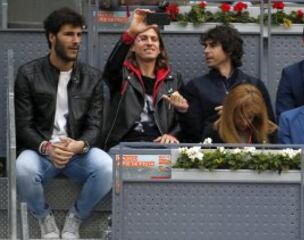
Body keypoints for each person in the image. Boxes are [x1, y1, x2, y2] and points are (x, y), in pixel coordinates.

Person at [15, 8, 112, 239]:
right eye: (69, 34)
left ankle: (75, 217)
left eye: (79, 34)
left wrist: (80, 145)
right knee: (23, 168)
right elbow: (23, 125)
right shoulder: (28, 74)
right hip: (41, 151)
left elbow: (95, 124)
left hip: (76, 152)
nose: (76, 41)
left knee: (107, 167)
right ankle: (43, 217)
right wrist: (47, 147)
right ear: (51, 36)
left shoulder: (92, 77)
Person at [102, 9, 188, 150]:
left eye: (154, 39)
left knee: (175, 152)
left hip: (161, 145)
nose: (149, 43)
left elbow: (186, 119)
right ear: (133, 48)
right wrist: (131, 33)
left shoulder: (174, 79)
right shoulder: (123, 75)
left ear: (159, 48)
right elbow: (110, 69)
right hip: (125, 146)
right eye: (143, 39)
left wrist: (174, 135)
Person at [179, 25, 275, 143]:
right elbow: (192, 134)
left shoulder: (254, 85)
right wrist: (226, 115)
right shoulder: (196, 86)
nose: (206, 50)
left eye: (213, 45)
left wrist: (239, 113)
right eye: (205, 46)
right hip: (211, 153)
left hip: (251, 153)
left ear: (229, 49)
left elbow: (268, 127)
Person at [203, 84, 277, 143]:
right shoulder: (214, 132)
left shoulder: (269, 133)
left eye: (250, 117)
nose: (244, 123)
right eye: (239, 117)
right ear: (230, 113)